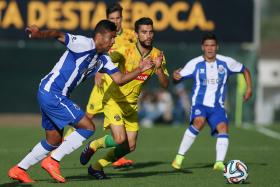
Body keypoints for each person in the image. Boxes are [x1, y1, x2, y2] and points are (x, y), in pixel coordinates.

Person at [7, 20, 154, 183]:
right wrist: (39, 34)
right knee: (88, 127)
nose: (113, 41)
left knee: (53, 140)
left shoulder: (104, 58)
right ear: (100, 36)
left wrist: (140, 69)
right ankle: (53, 160)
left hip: (50, 94)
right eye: (112, 37)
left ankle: (19, 169)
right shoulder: (83, 43)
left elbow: (119, 79)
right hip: (52, 92)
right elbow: (58, 34)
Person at [80, 17, 169, 179]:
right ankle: (94, 145)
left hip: (132, 105)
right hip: (114, 99)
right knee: (120, 139)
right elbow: (105, 59)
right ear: (136, 34)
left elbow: (165, 84)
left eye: (150, 32)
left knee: (130, 146)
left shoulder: (158, 55)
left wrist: (159, 69)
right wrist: (99, 71)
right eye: (144, 32)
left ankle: (97, 167)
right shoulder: (125, 50)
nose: (148, 35)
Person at [64, 2, 137, 168]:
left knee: (120, 126)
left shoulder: (131, 36)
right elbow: (97, 56)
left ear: (122, 18)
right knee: (87, 118)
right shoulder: (105, 37)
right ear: (107, 19)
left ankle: (116, 155)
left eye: (118, 18)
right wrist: (98, 72)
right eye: (112, 18)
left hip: (120, 86)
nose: (116, 21)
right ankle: (64, 144)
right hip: (103, 85)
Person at [171, 33, 252, 171]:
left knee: (223, 129)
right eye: (207, 45)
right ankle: (179, 157)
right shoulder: (194, 63)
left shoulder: (226, 62)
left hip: (217, 106)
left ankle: (219, 163)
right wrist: (175, 76)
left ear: (217, 47)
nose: (210, 48)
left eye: (212, 45)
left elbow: (245, 70)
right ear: (202, 47)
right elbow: (176, 79)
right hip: (199, 104)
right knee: (199, 122)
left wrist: (249, 88)